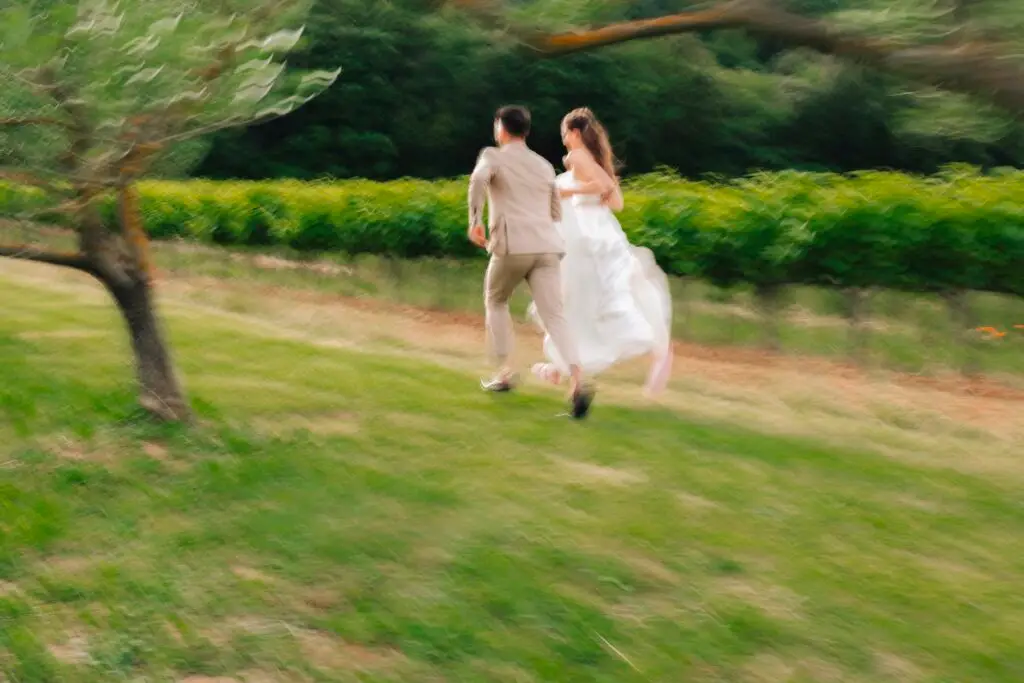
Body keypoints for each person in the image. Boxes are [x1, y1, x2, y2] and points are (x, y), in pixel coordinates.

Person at [528, 107, 674, 396]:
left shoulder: (578, 157)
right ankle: (562, 368)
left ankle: (562, 367)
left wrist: (569, 193)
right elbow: (614, 200)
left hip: (588, 239)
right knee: (589, 304)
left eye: (564, 131)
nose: (562, 137)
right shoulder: (594, 160)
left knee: (577, 303)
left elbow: (603, 186)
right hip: (601, 233)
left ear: (575, 133)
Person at [467, 105, 596, 419]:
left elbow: (477, 181)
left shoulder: (492, 155)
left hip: (512, 245)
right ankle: (578, 381)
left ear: (501, 128)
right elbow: (555, 212)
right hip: (547, 246)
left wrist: (475, 220)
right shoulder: (543, 165)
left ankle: (505, 373)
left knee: (496, 301)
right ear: (526, 130)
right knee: (556, 316)